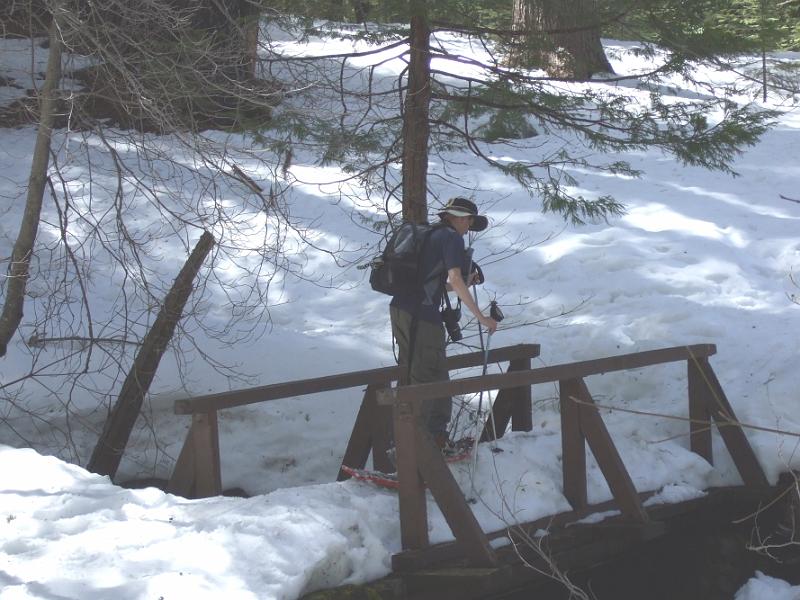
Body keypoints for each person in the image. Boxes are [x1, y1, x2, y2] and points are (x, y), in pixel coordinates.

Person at [389, 197, 498, 449]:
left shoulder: (430, 235)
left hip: (401, 311)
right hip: (423, 317)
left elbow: (434, 283)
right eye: (469, 221)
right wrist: (481, 317)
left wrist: (458, 286)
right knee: (431, 377)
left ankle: (408, 444)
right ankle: (425, 447)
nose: (468, 227)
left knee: (413, 375)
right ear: (459, 217)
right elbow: (454, 277)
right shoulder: (451, 238)